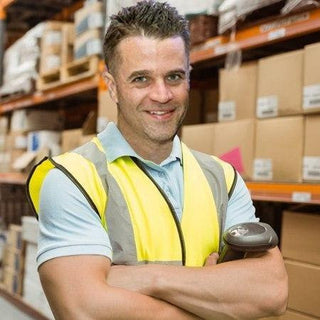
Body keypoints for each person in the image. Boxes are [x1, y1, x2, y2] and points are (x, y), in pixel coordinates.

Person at [27, 1, 288, 319]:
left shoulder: (223, 178)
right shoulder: (72, 179)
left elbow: (271, 292)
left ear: (189, 77)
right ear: (112, 87)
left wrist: (146, 278)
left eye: (174, 77)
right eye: (141, 79)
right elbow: (84, 310)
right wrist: (214, 295)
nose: (162, 95)